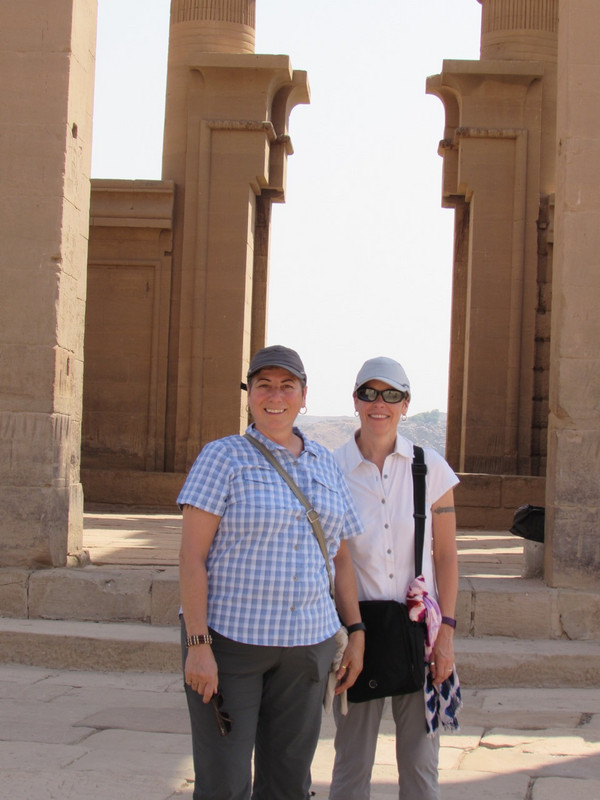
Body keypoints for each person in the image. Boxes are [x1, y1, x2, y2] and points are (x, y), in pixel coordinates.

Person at [178, 345, 365, 800]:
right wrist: (198, 645)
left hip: (308, 647)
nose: (274, 396)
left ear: (304, 396)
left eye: (287, 386)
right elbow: (191, 558)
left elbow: (340, 557)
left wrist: (356, 630)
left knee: (288, 780)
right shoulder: (221, 457)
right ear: (249, 395)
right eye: (264, 385)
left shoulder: (326, 463)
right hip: (232, 644)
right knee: (224, 779)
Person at [329, 356, 460, 800]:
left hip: (417, 633)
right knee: (351, 766)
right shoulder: (330, 470)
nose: (378, 404)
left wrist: (447, 636)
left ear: (406, 404)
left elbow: (445, 555)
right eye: (369, 393)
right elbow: (333, 559)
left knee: (421, 768)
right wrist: (348, 631)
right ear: (355, 400)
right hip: (357, 633)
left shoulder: (430, 468)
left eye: (391, 395)